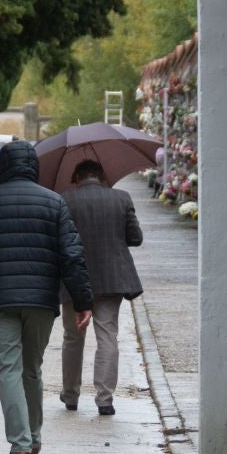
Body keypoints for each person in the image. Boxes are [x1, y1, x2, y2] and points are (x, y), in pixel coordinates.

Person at [0, 142, 94, 454]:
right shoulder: (54, 203)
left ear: (1, 167)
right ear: (34, 167)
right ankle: (35, 438)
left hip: (0, 300)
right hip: (42, 300)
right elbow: (72, 256)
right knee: (32, 368)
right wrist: (84, 300)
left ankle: (20, 443)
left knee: (8, 369)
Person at [57, 159, 143, 416]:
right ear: (102, 176)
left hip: (74, 280)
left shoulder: (64, 200)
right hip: (110, 279)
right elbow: (135, 238)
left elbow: (58, 241)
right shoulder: (121, 198)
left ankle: (71, 395)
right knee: (107, 336)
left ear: (76, 177)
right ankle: (104, 399)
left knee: (73, 338)